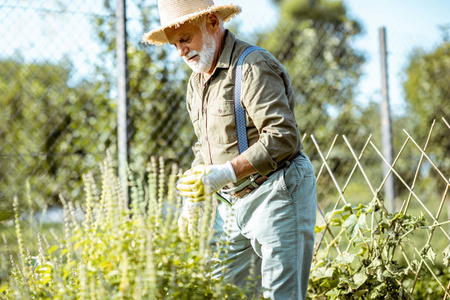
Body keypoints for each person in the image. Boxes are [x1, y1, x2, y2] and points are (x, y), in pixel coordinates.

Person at [142, 0, 317, 299]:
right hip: (233, 203)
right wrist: (192, 200)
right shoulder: (196, 83)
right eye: (174, 45)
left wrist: (225, 173)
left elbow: (283, 137)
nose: (181, 52)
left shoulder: (252, 65)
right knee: (224, 292)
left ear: (212, 22)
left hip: (276, 190)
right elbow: (205, 146)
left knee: (282, 295)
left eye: (185, 39)